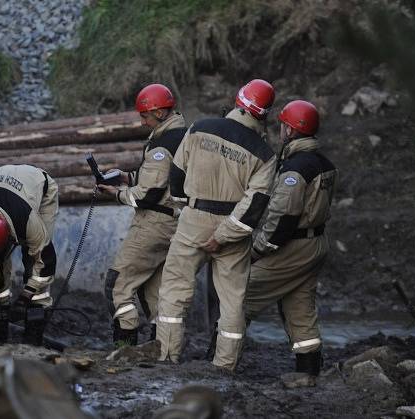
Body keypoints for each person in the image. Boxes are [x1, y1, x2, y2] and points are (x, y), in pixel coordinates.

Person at [156, 79, 277, 369]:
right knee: (232, 301)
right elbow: (254, 206)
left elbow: (176, 174)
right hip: (234, 228)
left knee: (174, 290)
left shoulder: (199, 127)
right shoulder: (265, 154)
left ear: (239, 102)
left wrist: (185, 209)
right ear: (263, 114)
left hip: (194, 218)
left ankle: (168, 357)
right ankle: (224, 366)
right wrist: (223, 236)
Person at [246, 100, 338, 379]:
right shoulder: (324, 163)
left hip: (293, 247)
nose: (280, 130)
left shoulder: (295, 169)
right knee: (299, 306)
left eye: (283, 125)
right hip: (315, 243)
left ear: (290, 129)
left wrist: (256, 250)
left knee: (238, 296)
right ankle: (308, 372)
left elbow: (282, 218)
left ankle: (220, 363)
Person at [99, 83, 187, 346]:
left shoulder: (161, 145)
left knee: (118, 285)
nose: (142, 120)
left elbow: (147, 194)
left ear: (160, 113)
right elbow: (165, 179)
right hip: (175, 221)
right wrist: (127, 177)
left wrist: (116, 194)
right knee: (154, 290)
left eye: (145, 115)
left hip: (154, 223)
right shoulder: (184, 136)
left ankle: (125, 345)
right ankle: (162, 349)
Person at [0, 164, 59, 343]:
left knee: (33, 259)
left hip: (39, 187)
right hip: (4, 186)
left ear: (9, 234)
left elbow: (45, 261)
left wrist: (26, 297)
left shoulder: (27, 220)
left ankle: (34, 327)